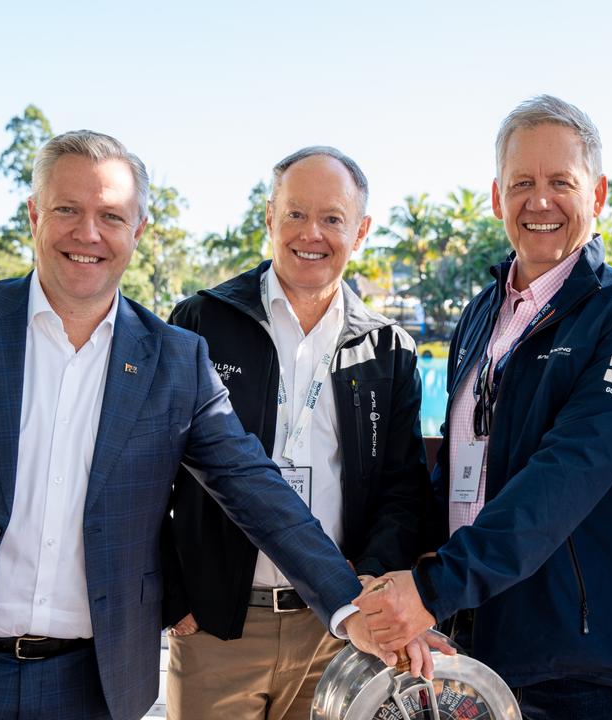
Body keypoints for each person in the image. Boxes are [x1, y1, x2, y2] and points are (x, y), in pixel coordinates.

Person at [0, 130, 431, 720]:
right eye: (68, 209)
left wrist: (353, 610)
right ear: (34, 213)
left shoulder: (175, 357)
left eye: (111, 216)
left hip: (91, 686)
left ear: (136, 230)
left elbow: (254, 489)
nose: (88, 233)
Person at [355, 95, 612, 720]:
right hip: (469, 647)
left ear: (599, 193)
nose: (540, 201)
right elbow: (455, 477)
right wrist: (392, 577)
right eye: (523, 183)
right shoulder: (481, 315)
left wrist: (430, 589)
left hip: (578, 662)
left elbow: (564, 478)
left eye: (562, 182)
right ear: (498, 197)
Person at [162, 146, 431, 719]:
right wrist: (174, 595)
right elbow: (148, 470)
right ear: (269, 218)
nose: (312, 233)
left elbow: (403, 489)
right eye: (295, 214)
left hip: (334, 631)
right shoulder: (202, 322)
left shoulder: (387, 349)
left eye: (332, 218)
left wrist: (370, 591)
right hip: (216, 626)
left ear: (360, 231)